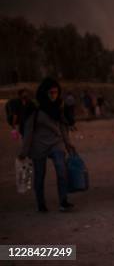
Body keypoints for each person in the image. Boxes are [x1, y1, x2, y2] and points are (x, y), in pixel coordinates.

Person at [19, 78, 75, 213]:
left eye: (56, 92)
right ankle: (41, 204)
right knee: (39, 175)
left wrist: (68, 145)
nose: (53, 95)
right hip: (39, 146)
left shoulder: (59, 107)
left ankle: (63, 202)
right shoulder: (35, 109)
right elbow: (28, 131)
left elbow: (63, 127)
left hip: (56, 143)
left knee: (61, 171)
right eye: (51, 92)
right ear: (44, 92)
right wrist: (24, 152)